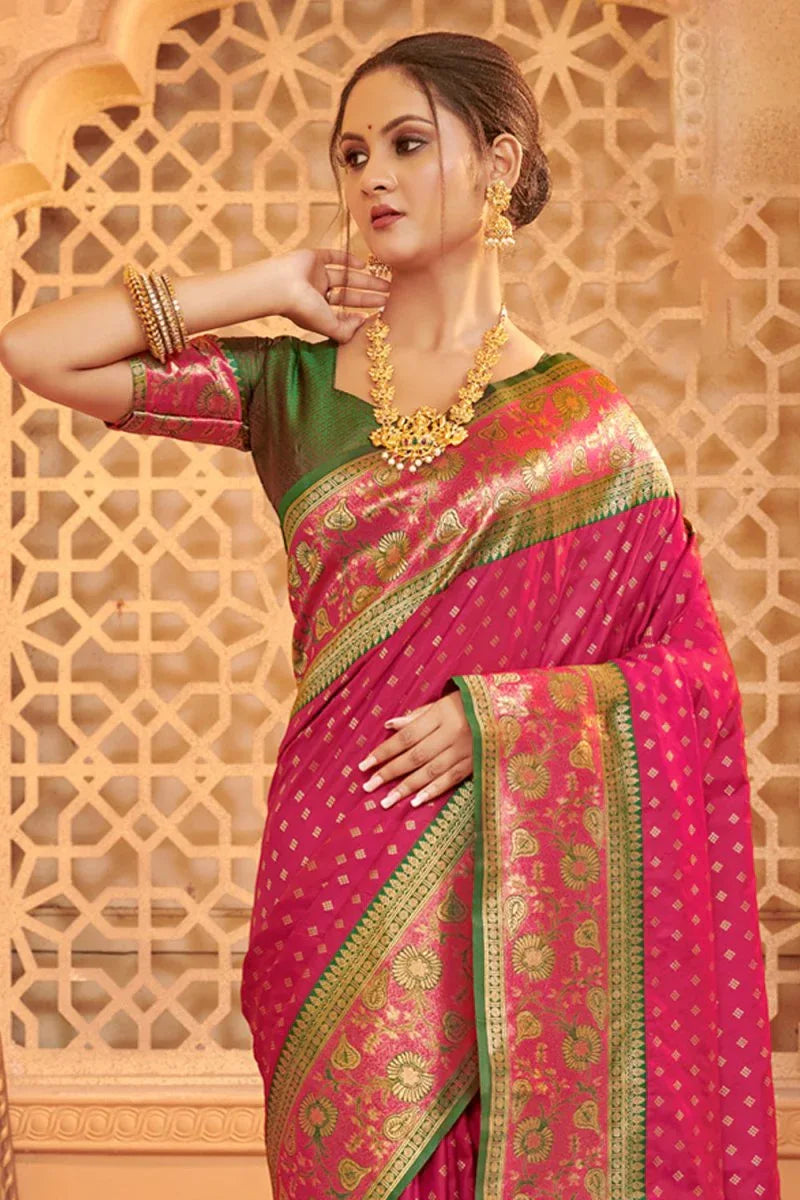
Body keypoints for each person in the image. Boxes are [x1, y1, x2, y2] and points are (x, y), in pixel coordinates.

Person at [0, 29, 780, 1200]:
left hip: (507, 880)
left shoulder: (585, 431)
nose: (371, 175)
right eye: (352, 153)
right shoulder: (289, 388)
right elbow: (34, 350)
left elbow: (696, 680)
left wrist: (498, 721)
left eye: (408, 144)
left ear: (499, 164)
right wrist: (266, 286)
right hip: (330, 866)